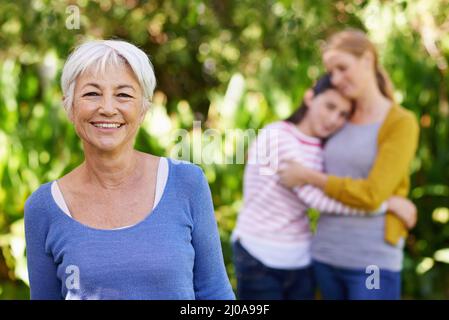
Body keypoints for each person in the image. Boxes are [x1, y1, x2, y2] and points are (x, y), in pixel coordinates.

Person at [24, 39, 235, 300]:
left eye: (123, 94)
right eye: (92, 93)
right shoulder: (44, 207)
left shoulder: (186, 183)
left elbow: (215, 293)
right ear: (69, 105)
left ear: (143, 108)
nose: (108, 108)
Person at [232, 74, 416, 300]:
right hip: (259, 254)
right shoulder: (278, 136)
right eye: (330, 106)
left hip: (300, 258)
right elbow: (316, 199)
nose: (333, 119)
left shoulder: (323, 146)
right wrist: (384, 205)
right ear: (309, 98)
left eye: (343, 115)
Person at [279, 29, 420, 300]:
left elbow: (371, 194)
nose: (336, 79)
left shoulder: (400, 123)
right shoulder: (338, 116)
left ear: (367, 60)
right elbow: (298, 141)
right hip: (325, 257)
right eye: (331, 72)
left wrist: (309, 177)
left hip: (372, 261)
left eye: (342, 68)